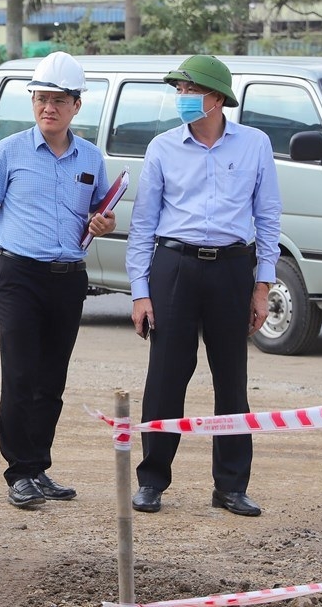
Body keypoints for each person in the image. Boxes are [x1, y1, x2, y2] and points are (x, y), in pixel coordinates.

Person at [125, 54, 282, 517]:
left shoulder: (254, 144)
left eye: (189, 91)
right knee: (166, 376)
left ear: (216, 98)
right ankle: (152, 480)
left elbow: (268, 217)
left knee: (231, 378)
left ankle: (231, 486)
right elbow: (143, 224)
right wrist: (139, 291)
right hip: (175, 265)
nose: (182, 99)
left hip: (233, 268)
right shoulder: (162, 148)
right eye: (178, 91)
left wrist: (262, 285)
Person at [0, 51, 116, 510]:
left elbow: (100, 211)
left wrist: (103, 223)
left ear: (77, 105)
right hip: (19, 274)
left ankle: (38, 466)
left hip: (68, 278)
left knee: (52, 378)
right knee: (20, 373)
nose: (48, 109)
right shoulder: (9, 151)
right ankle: (18, 472)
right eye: (41, 99)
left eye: (59, 100)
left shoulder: (91, 158)